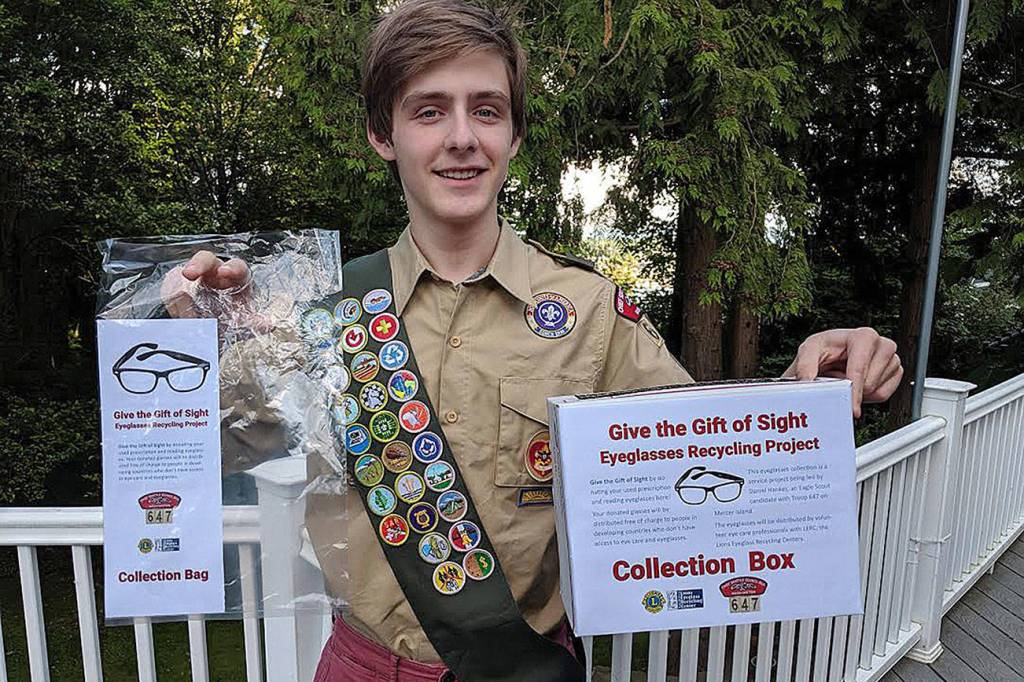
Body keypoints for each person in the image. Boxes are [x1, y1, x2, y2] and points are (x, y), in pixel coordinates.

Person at [160, 1, 903, 680]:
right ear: (382, 134)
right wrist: (195, 340)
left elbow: (706, 450)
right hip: (363, 665)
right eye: (428, 111)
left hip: (526, 668)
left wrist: (812, 387)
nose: (461, 138)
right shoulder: (324, 315)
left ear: (514, 133)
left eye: (486, 110)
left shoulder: (592, 313)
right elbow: (201, 447)